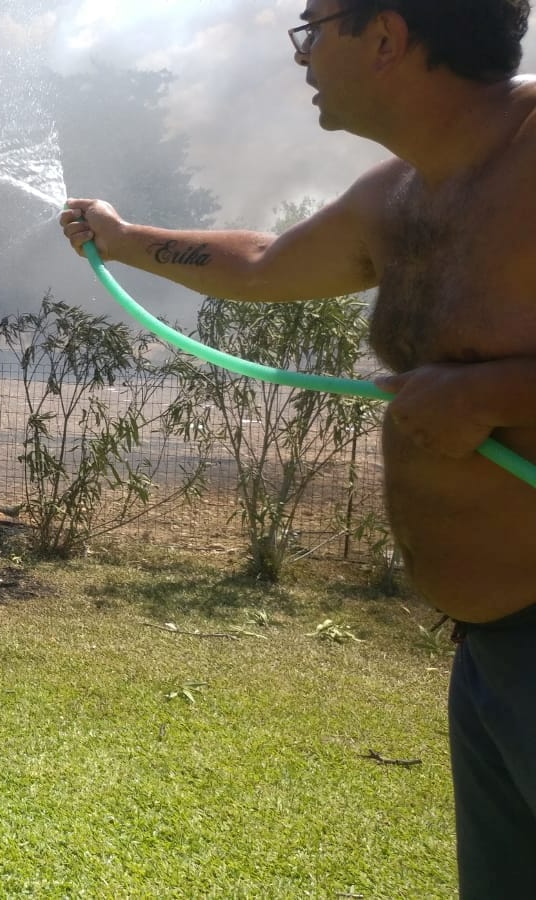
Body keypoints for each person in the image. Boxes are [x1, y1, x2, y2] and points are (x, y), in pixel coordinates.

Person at [59, 1, 536, 894]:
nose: (303, 55)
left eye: (314, 29)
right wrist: (124, 241)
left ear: (387, 36)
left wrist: (491, 392)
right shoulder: (399, 194)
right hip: (492, 651)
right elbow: (268, 262)